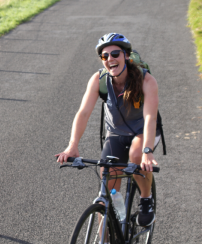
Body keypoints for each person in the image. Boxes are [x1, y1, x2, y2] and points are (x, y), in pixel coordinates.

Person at [55, 33, 161, 227]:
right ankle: (105, 233)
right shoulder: (99, 79)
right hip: (116, 134)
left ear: (126, 56)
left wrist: (148, 151)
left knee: (137, 155)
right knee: (106, 188)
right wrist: (72, 146)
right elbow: (83, 113)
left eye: (115, 54)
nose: (110, 59)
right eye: (105, 56)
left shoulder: (147, 81)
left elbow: (150, 118)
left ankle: (146, 200)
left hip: (143, 133)